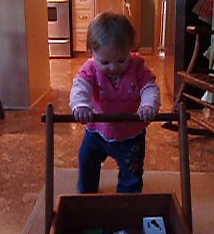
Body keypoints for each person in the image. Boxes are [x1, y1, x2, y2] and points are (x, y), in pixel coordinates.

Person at [69, 12, 160, 193]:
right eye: (105, 61)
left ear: (130, 50)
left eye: (120, 60)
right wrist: (81, 105)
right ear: (92, 53)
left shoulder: (137, 67)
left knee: (132, 174)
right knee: (87, 161)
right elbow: (81, 86)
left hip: (130, 134)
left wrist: (148, 105)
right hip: (97, 131)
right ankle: (87, 193)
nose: (113, 67)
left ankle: (127, 198)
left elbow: (150, 87)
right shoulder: (90, 69)